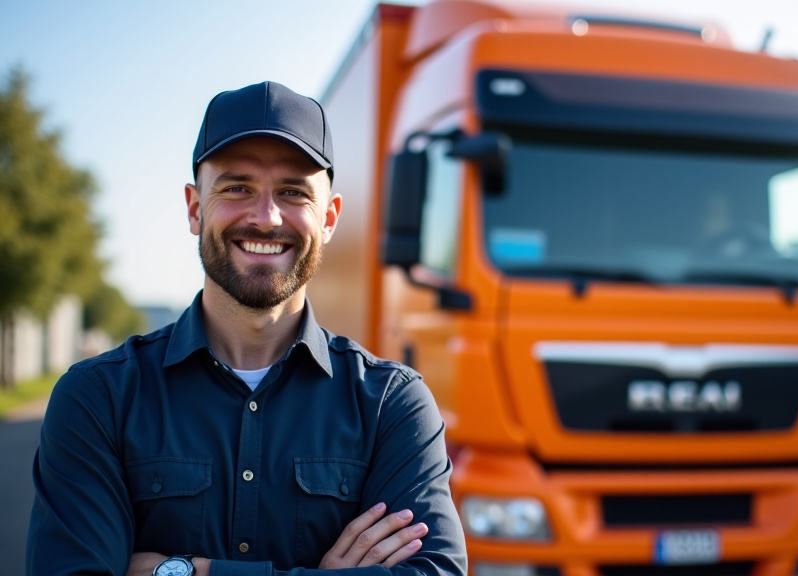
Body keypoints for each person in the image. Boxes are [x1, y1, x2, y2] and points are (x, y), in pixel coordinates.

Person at [26, 81, 468, 576]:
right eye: (237, 187)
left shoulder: (392, 405)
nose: (266, 217)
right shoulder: (97, 398)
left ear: (328, 218)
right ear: (195, 208)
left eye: (293, 192)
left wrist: (189, 571)